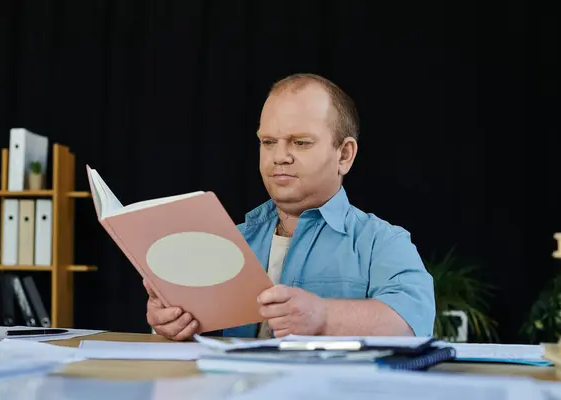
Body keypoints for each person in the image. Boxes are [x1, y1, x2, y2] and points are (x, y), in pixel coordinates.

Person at [144, 73, 435, 340]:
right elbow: (184, 335)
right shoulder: (230, 240)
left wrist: (322, 317)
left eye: (301, 143)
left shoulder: (382, 242)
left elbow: (411, 323)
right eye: (268, 142)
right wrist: (167, 322)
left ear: (344, 155)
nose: (279, 156)